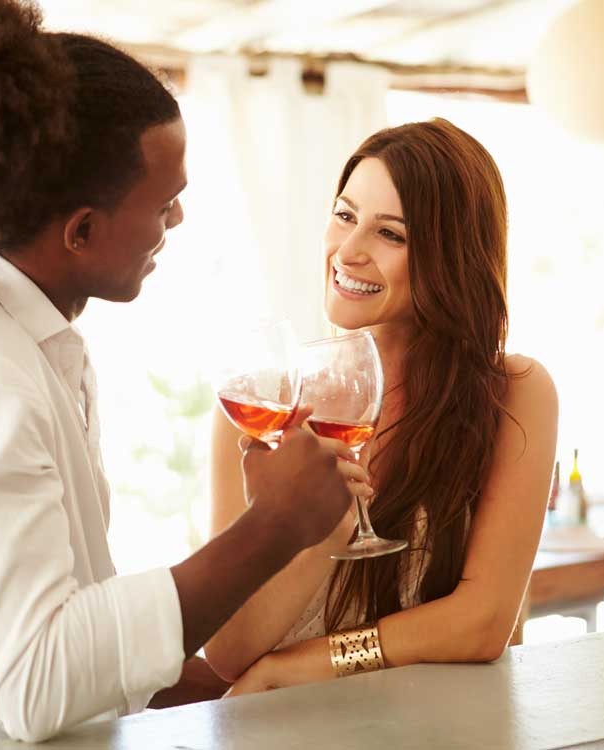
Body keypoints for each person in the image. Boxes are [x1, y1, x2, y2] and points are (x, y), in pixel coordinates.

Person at [0, 0, 355, 745]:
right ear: (81, 230)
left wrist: (240, 686)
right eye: (165, 202)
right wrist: (274, 527)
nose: (175, 223)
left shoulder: (20, 339)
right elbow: (37, 679)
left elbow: (80, 630)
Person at [205, 119, 559, 693]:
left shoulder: (513, 392)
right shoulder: (260, 405)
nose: (348, 251)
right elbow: (227, 650)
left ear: (453, 258)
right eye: (344, 216)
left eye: (389, 234)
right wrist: (322, 534)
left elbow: (484, 623)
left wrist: (295, 667)